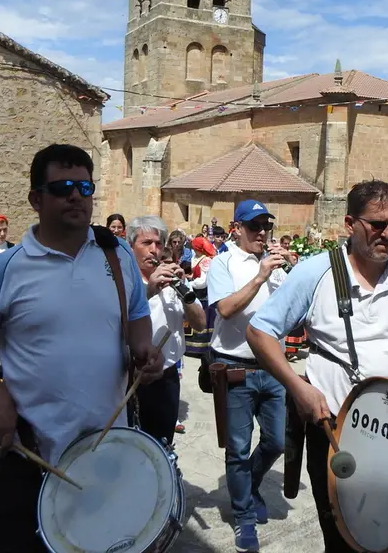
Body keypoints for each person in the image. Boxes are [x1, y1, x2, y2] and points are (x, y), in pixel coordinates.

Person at [0, 144, 163, 553]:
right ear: (36, 199)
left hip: (107, 456)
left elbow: (135, 315)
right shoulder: (7, 267)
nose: (76, 196)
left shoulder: (117, 258)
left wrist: (144, 350)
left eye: (84, 186)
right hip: (31, 455)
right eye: (63, 187)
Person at [247, 180, 388, 553]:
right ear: (350, 224)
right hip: (333, 427)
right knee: (344, 537)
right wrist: (298, 387)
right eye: (377, 224)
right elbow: (260, 332)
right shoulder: (314, 273)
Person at [206, 200, 288, 553]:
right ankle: (243, 517)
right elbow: (224, 308)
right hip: (234, 365)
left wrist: (289, 276)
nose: (261, 233)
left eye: (265, 226)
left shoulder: (275, 267)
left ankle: (249, 485)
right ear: (237, 227)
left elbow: (290, 313)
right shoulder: (223, 262)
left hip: (272, 367)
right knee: (238, 449)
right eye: (254, 226)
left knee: (277, 441)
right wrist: (260, 277)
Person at [127, 217, 206, 444]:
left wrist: (183, 291)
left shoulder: (172, 280)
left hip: (166, 378)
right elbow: (116, 324)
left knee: (162, 447)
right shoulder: (124, 282)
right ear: (131, 246)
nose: (154, 250)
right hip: (131, 376)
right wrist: (149, 290)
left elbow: (200, 324)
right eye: (146, 243)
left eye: (159, 244)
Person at [184, 236, 218, 359]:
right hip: (196, 293)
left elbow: (204, 281)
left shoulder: (206, 261)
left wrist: (190, 283)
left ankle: (201, 346)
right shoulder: (197, 258)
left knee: (203, 319)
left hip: (202, 294)